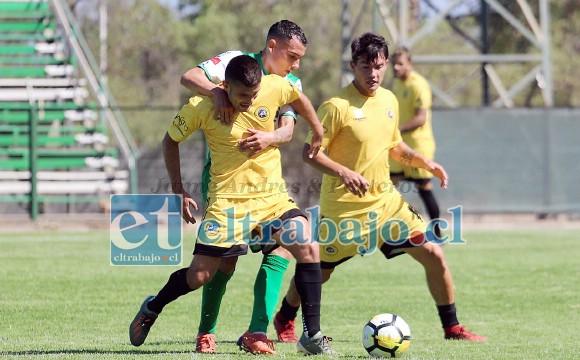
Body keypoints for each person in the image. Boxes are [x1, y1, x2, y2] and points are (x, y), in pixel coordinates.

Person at [273, 32, 487, 342]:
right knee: (319, 271)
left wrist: (423, 162)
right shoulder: (336, 106)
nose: (373, 74)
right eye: (365, 67)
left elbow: (395, 145)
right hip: (345, 211)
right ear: (352, 65)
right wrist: (344, 172)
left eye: (379, 66)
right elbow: (311, 153)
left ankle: (452, 328)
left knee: (433, 254)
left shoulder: (388, 99)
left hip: (387, 204)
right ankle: (285, 317)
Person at [129, 55, 335, 355]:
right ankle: (153, 306)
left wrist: (317, 130)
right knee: (200, 275)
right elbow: (169, 140)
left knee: (307, 246)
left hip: (271, 198)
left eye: (253, 96)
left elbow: (297, 96)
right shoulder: (203, 106)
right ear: (225, 86)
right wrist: (178, 191)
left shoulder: (273, 86)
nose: (250, 102)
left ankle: (312, 334)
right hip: (228, 204)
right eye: (242, 96)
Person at [179, 20, 307, 352]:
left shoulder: (289, 82)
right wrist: (216, 92)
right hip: (226, 184)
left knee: (281, 248)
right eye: (292, 57)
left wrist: (270, 136)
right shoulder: (235, 61)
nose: (296, 66)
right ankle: (207, 330)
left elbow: (289, 130)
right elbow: (188, 76)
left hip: (266, 188)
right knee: (226, 262)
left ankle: (257, 332)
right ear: (273, 46)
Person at [389, 46, 441, 237]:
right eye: (393, 64)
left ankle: (437, 234)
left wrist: (397, 130)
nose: (395, 68)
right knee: (387, 186)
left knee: (424, 188)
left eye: (400, 64)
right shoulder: (396, 84)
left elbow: (421, 119)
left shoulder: (418, 85)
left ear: (410, 64)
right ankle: (384, 230)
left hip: (419, 145)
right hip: (398, 146)